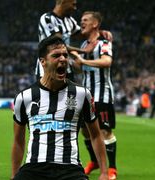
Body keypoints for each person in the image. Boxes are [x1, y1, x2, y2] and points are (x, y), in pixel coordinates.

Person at [11, 36, 108, 180]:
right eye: (56, 55)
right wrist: (14, 175)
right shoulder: (24, 97)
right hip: (34, 169)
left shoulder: (82, 94)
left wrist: (104, 173)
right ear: (43, 62)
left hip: (70, 169)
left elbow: (95, 135)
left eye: (65, 55)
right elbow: (18, 141)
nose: (63, 59)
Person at [70, 11, 117, 180]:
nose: (81, 23)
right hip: (86, 94)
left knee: (105, 131)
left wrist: (83, 61)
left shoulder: (104, 43)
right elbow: (79, 68)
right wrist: (75, 61)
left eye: (85, 20)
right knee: (85, 130)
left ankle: (112, 168)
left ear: (95, 24)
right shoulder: (83, 45)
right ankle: (94, 161)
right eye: (81, 20)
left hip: (102, 94)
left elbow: (107, 61)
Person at [35, 0, 112, 81]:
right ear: (63, 2)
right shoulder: (47, 18)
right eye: (73, 4)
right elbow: (59, 45)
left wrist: (100, 32)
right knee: (48, 93)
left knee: (69, 92)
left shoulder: (69, 20)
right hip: (47, 69)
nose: (75, 8)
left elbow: (82, 34)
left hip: (65, 68)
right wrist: (83, 51)